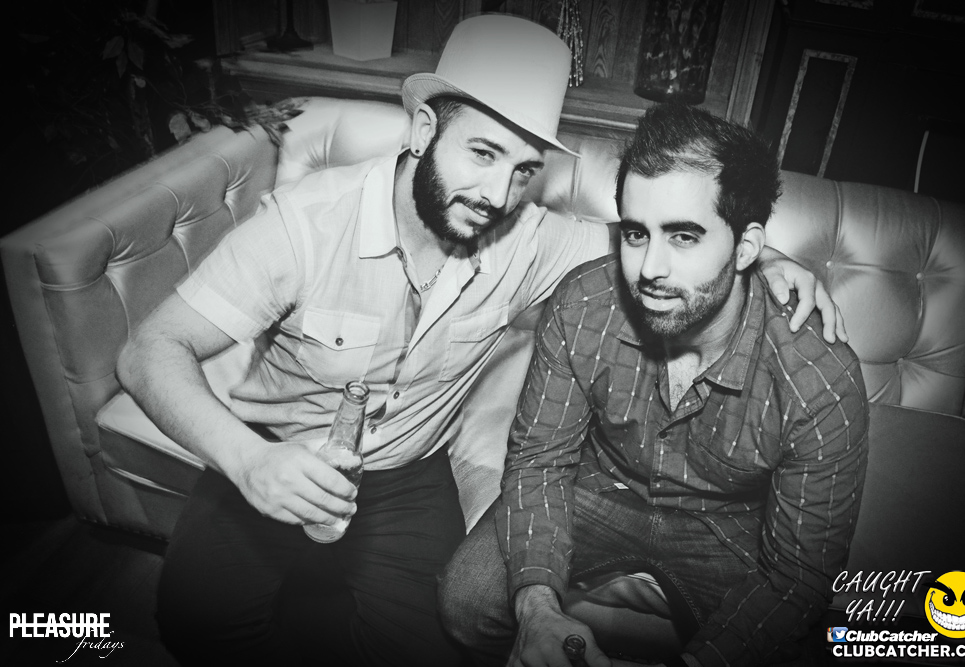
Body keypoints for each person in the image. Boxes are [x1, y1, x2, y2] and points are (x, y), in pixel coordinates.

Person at [116, 15, 845, 667]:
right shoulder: (303, 225)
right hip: (274, 449)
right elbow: (150, 351)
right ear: (422, 130)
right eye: (483, 153)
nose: (498, 194)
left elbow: (661, 244)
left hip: (407, 470)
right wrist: (249, 462)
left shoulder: (529, 238)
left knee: (441, 645)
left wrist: (769, 260)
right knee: (193, 628)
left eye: (524, 169)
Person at [439, 101, 869, 667]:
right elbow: (540, 459)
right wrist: (538, 609)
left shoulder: (819, 378)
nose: (649, 269)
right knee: (467, 600)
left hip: (729, 527)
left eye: (684, 237)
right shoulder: (584, 304)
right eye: (637, 234)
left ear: (746, 247)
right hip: (601, 489)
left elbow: (798, 572)